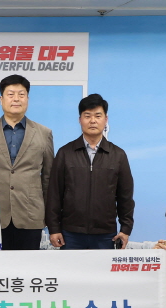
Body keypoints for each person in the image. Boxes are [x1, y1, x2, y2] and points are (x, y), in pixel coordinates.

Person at [46, 93, 134, 250]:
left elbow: (125, 197)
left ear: (105, 119)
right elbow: (54, 194)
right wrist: (54, 228)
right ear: (80, 119)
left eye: (98, 116)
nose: (93, 120)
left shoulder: (118, 155)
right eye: (87, 116)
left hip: (106, 234)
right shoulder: (65, 153)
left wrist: (125, 229)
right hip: (70, 234)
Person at [0, 74, 54, 250]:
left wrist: (50, 216)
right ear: (1, 100)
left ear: (27, 98)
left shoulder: (44, 133)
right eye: (11, 94)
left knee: (28, 265)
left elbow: (49, 178)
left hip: (31, 215)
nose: (16, 99)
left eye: (21, 94)